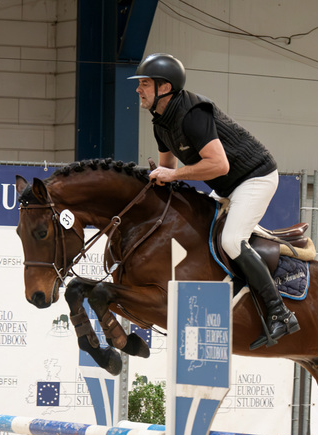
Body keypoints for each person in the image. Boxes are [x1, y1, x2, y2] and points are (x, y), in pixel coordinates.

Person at [129, 53, 300, 350]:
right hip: (227, 186)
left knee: (232, 241)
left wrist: (172, 175)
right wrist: (158, 179)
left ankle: (280, 313)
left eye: (144, 83)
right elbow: (168, 169)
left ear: (164, 87)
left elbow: (218, 164)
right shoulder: (161, 123)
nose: (138, 89)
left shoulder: (193, 114)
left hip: (255, 177)